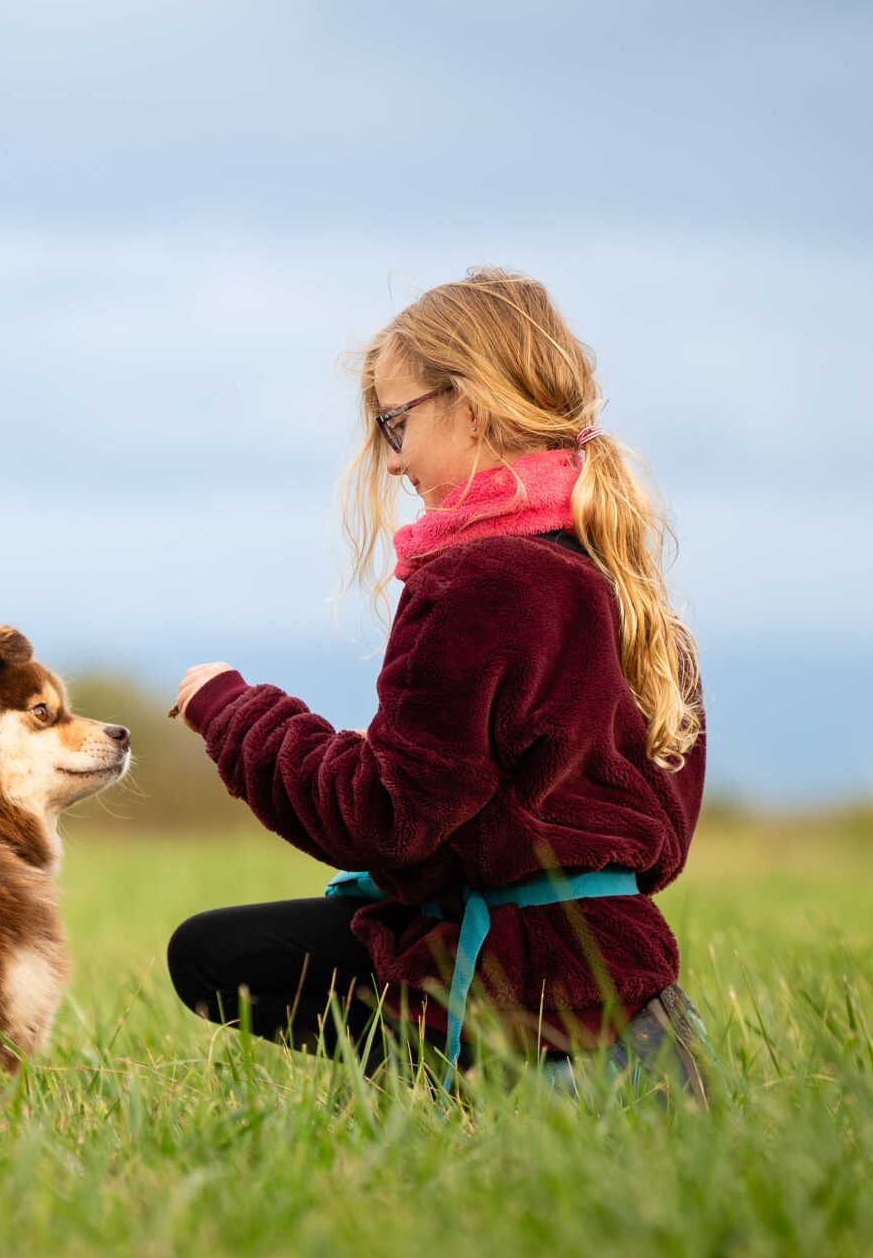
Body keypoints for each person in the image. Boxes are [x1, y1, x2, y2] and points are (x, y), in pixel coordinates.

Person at [165, 268, 711, 1101]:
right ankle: (483, 1089)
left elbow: (382, 819)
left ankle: (482, 1086)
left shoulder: (478, 580)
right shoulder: (631, 585)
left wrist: (234, 712)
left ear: (473, 408)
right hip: (630, 989)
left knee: (210, 957)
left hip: (520, 987)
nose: (391, 461)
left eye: (397, 422)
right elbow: (644, 843)